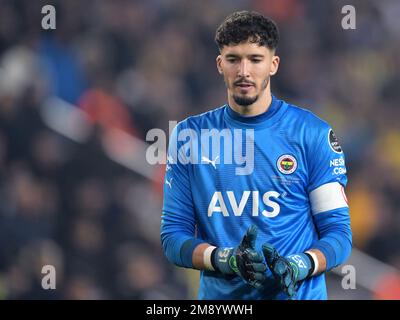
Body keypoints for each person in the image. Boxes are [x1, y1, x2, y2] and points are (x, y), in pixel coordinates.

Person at [161, 10, 352, 300]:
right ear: (219, 64)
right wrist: (226, 259)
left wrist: (300, 265)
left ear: (273, 64)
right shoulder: (190, 137)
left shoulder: (311, 134)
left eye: (255, 59)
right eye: (233, 59)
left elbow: (338, 234)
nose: (244, 71)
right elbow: (173, 237)